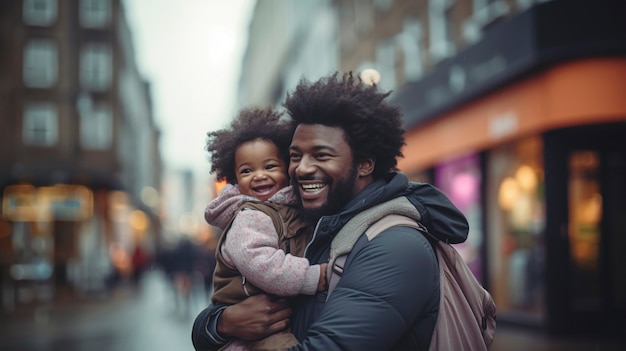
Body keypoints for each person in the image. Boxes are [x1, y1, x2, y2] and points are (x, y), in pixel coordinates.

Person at [192, 72, 469, 350]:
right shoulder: (322, 225)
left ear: (365, 164)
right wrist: (222, 323)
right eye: (296, 156)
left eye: (321, 155)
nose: (301, 168)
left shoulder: (395, 247)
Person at [204, 107, 328, 350]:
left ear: (286, 168)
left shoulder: (290, 207)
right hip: (256, 331)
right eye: (247, 171)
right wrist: (312, 276)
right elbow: (260, 263)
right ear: (235, 179)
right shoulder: (249, 216)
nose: (259, 176)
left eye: (269, 166)